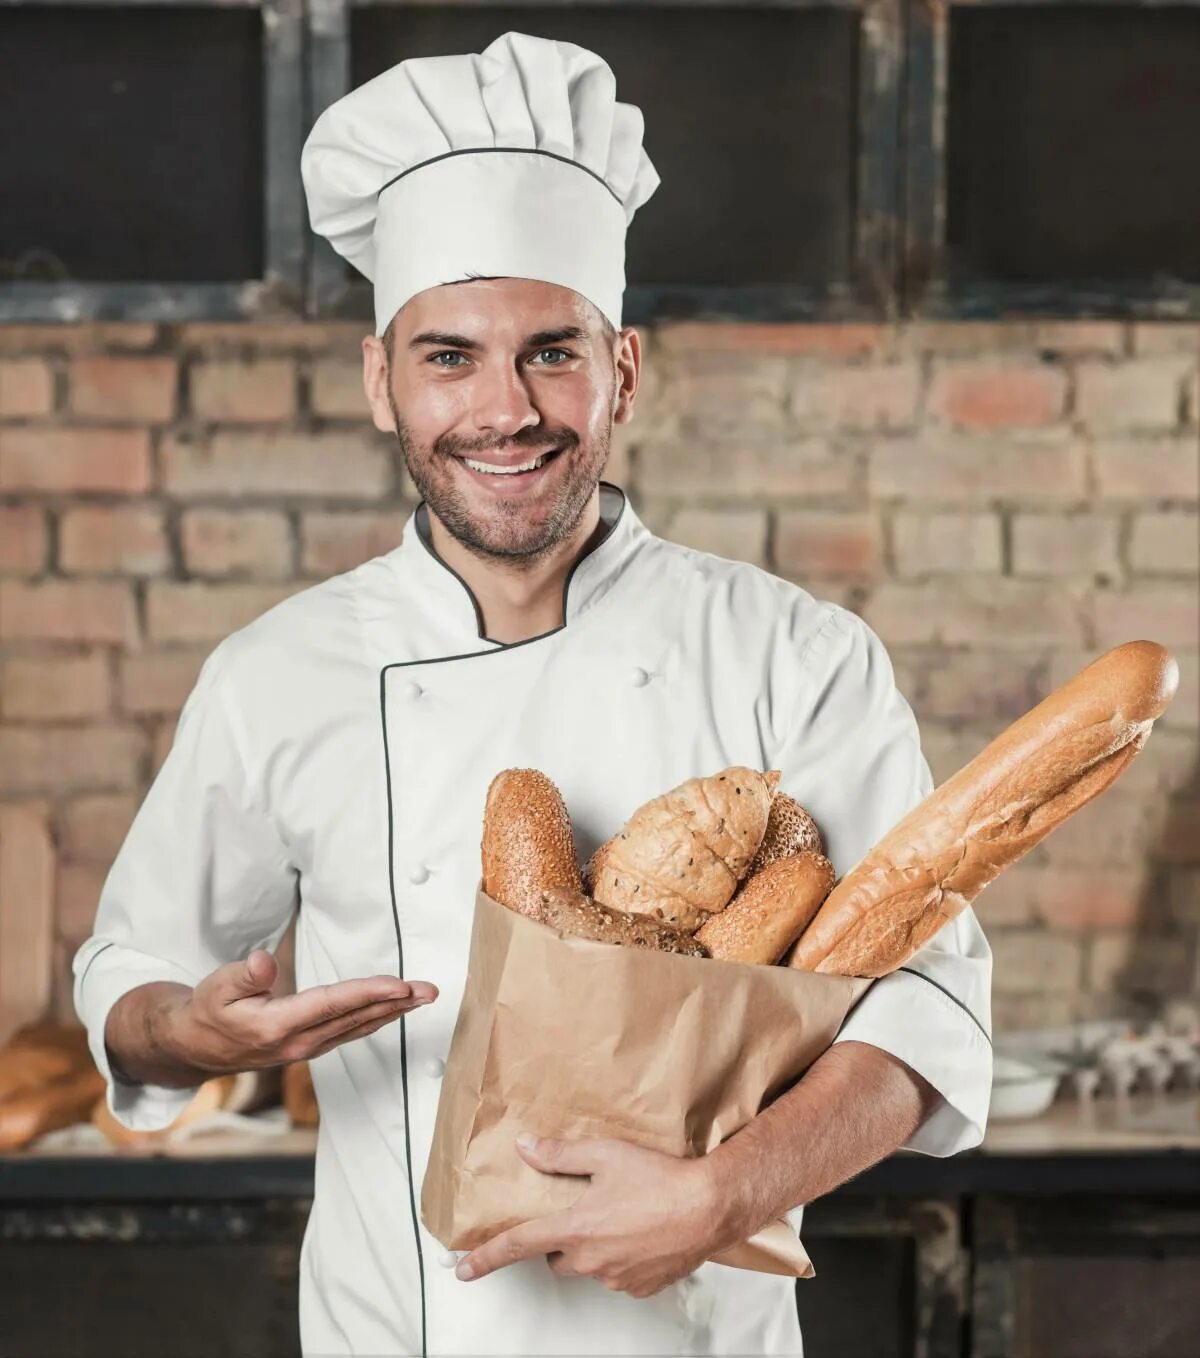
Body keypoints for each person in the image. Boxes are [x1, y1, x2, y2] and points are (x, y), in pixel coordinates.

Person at [72, 30, 992, 1357]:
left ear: (625, 368)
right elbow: (132, 975)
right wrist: (190, 1028)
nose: (506, 410)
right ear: (379, 383)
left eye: (551, 352)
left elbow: (928, 1003)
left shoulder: (797, 654)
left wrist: (722, 1192)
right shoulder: (276, 675)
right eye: (449, 356)